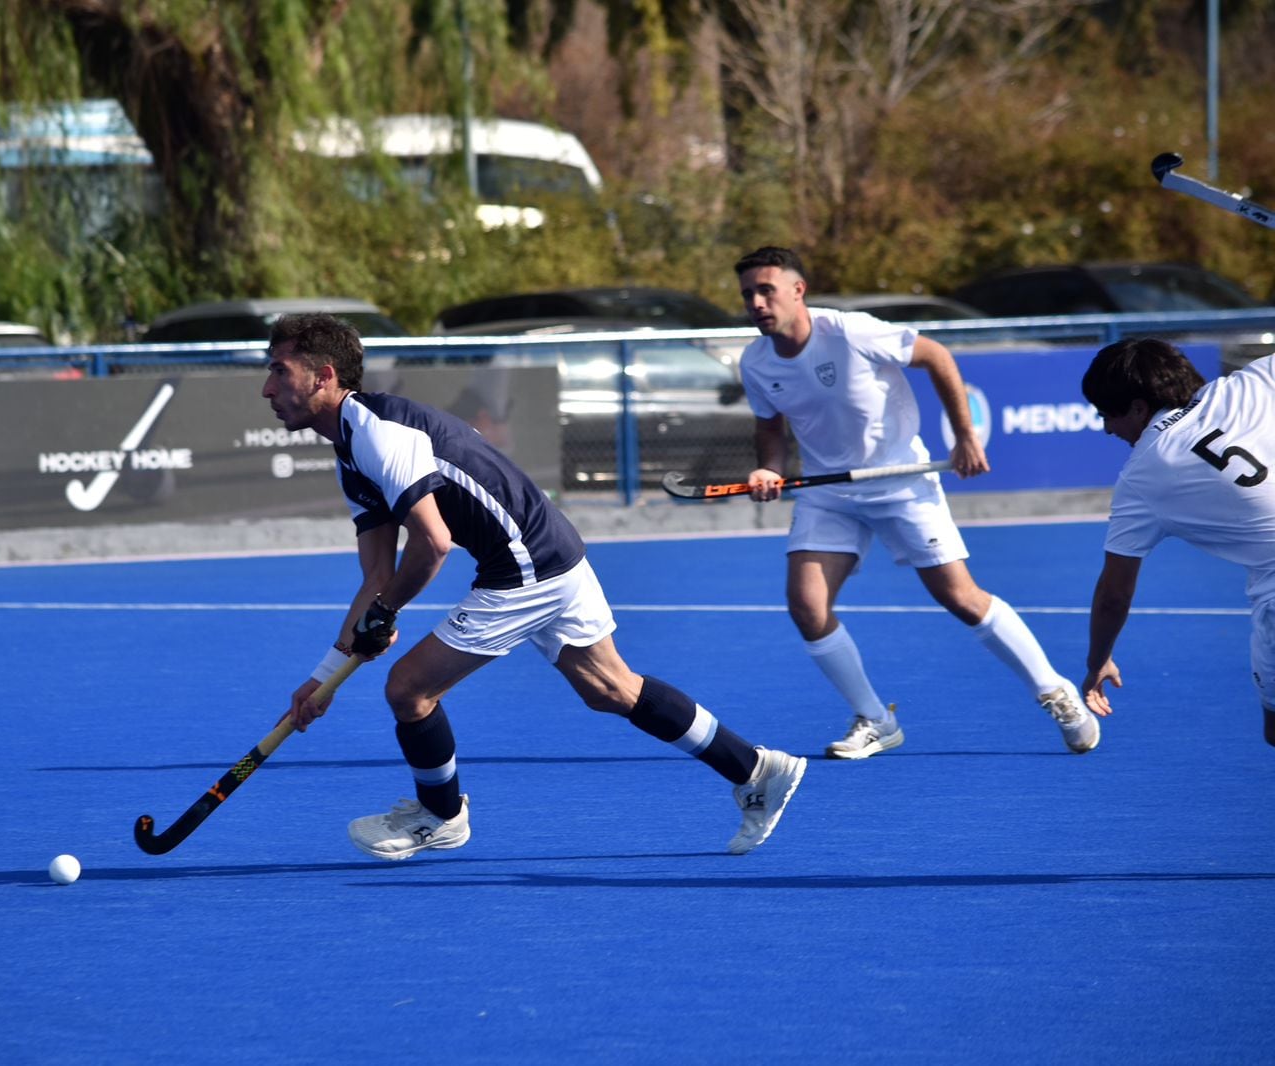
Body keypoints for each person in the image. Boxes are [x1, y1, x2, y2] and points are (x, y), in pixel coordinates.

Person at [263, 312, 807, 860]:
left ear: (324, 375)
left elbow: (432, 544)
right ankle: (756, 768)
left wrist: (383, 614)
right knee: (610, 689)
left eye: (279, 372)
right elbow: (377, 577)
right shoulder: (350, 454)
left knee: (409, 688)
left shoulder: (380, 435)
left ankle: (441, 815)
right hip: (552, 550)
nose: (267, 388)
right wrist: (324, 679)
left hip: (523, 565)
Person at [732, 246, 1100, 758]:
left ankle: (1053, 689)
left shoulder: (851, 331)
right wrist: (769, 467)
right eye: (748, 293)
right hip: (828, 492)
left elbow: (936, 356)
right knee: (807, 607)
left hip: (901, 481)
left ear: (798, 290)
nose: (756, 302)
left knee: (960, 597)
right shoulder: (755, 362)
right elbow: (770, 428)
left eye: (765, 289)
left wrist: (965, 435)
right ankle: (875, 719)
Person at [1078, 339, 1275, 745]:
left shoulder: (1142, 474)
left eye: (1106, 415)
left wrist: (1098, 661)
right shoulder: (1252, 381)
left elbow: (1114, 593)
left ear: (1137, 407)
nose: (1106, 429)